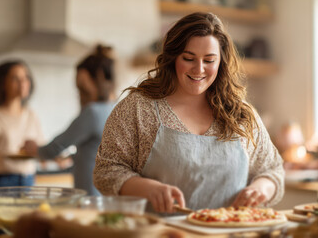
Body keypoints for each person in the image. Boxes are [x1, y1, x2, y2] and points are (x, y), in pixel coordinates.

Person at [93, 12, 284, 213]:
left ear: (221, 62)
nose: (198, 69)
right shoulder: (138, 109)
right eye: (189, 58)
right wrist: (147, 188)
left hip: (230, 232)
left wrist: (261, 188)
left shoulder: (242, 115)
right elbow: (106, 171)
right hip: (160, 233)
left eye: (209, 60)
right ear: (173, 57)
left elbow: (273, 170)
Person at [22, 45, 116, 196]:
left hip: (90, 195)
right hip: (107, 194)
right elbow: (95, 151)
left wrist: (36, 149)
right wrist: (71, 157)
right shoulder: (115, 108)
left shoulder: (93, 112)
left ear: (90, 80)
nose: (79, 94)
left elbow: (57, 146)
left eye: (80, 87)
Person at [0, 60, 44, 187]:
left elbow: (41, 148)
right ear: (2, 83)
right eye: (15, 78)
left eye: (25, 78)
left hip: (28, 180)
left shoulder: (31, 115)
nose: (23, 83)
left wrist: (57, 157)